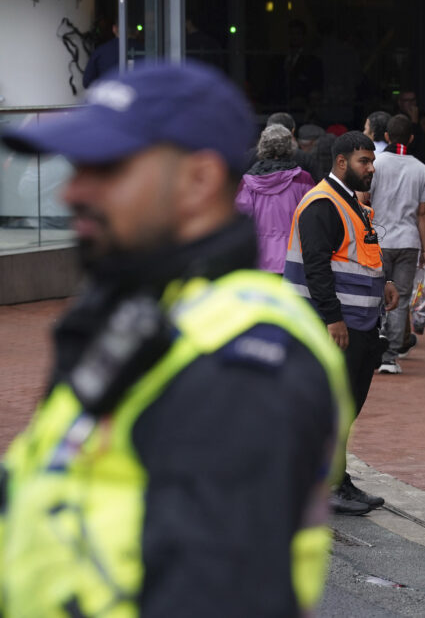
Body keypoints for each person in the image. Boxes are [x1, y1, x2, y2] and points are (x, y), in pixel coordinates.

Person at [0, 62, 351, 615]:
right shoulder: (132, 307)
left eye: (106, 168)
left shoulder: (245, 353)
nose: (73, 191)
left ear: (198, 181)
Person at [284, 131, 399, 515]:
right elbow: (316, 268)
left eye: (372, 161)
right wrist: (333, 320)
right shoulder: (322, 203)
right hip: (335, 327)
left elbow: (355, 255)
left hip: (358, 324)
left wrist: (384, 284)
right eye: (364, 162)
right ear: (341, 162)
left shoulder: (349, 202)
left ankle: (333, 480)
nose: (371, 168)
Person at [367, 114, 425, 374]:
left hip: (378, 239)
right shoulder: (421, 169)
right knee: (401, 298)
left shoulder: (376, 164)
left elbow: (365, 201)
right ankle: (390, 356)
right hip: (409, 241)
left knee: (376, 294)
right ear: (412, 138)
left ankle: (375, 347)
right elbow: (423, 214)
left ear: (386, 137)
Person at [235, 123, 314, 274]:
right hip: (294, 259)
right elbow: (313, 219)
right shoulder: (303, 179)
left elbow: (241, 220)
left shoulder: (247, 182)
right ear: (290, 146)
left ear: (262, 146)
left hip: (259, 259)